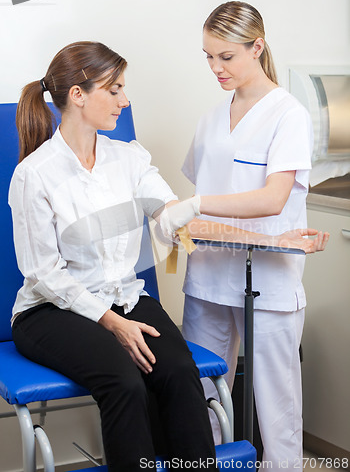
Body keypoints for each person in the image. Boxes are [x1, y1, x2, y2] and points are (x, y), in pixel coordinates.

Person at [9, 41, 220, 472]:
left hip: (124, 295)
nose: (126, 100)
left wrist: (188, 213)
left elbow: (166, 213)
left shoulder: (129, 157)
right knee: (124, 383)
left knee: (180, 373)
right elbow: (44, 274)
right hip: (51, 310)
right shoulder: (34, 175)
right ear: (78, 95)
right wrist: (112, 322)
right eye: (115, 89)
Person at [177, 1, 329, 472]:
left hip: (267, 278)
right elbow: (202, 185)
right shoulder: (211, 117)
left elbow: (272, 198)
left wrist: (197, 206)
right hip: (206, 274)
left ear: (257, 47)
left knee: (275, 403)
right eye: (208, 56)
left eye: (226, 56)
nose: (215, 68)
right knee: (200, 396)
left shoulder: (288, 115)